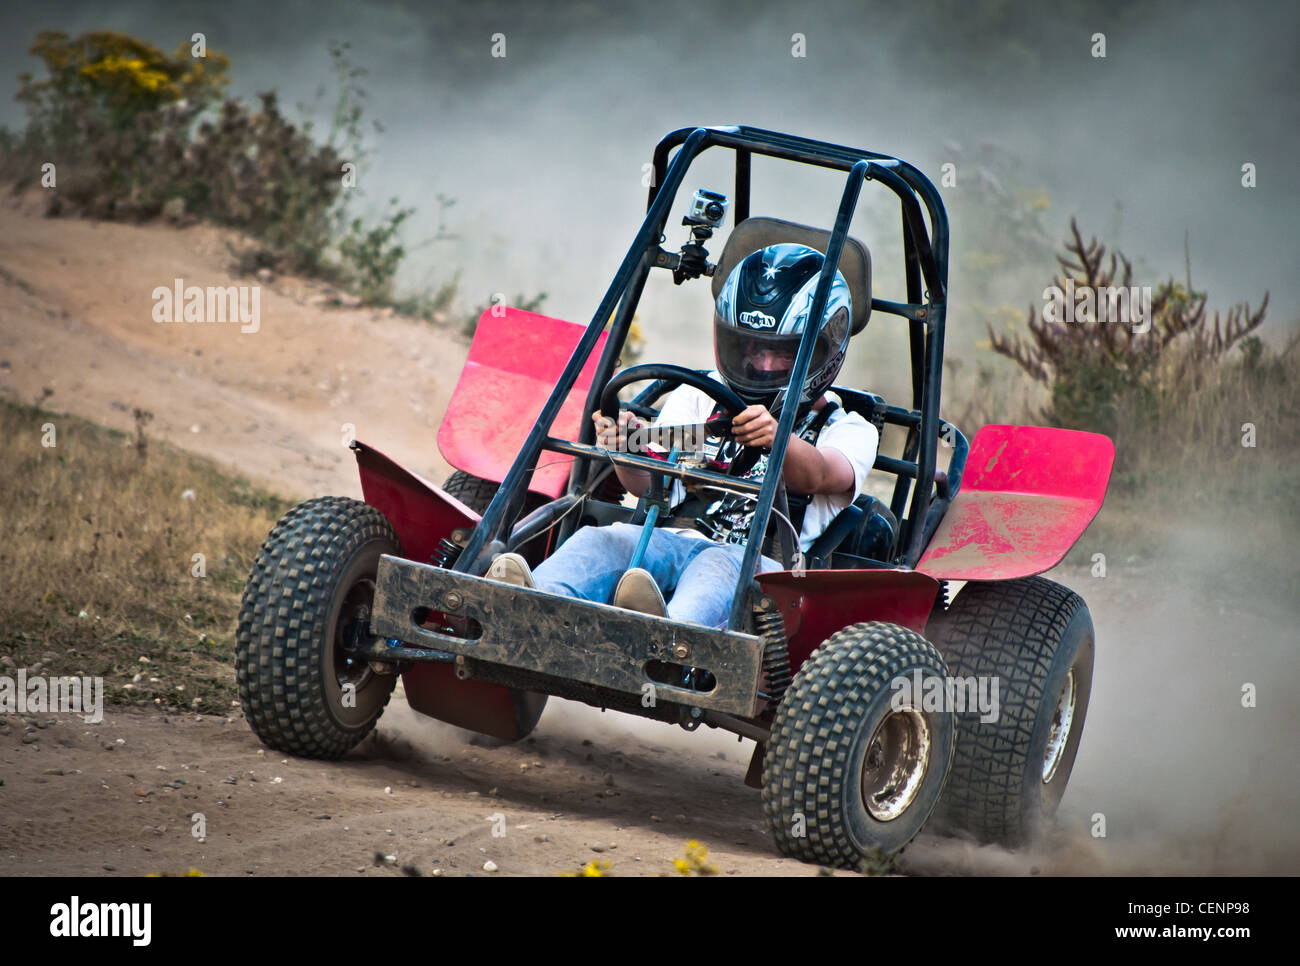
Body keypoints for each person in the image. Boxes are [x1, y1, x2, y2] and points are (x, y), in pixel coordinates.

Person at [486, 243, 879, 628]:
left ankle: (664, 635)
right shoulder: (700, 398)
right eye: (753, 349)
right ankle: (529, 602)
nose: (763, 365)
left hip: (763, 567)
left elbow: (821, 474)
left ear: (826, 352)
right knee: (606, 540)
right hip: (673, 540)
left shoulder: (846, 429)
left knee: (720, 563)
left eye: (784, 354)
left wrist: (777, 439)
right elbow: (649, 481)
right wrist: (627, 446)